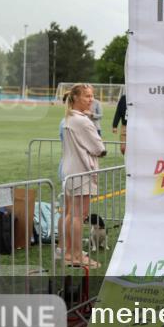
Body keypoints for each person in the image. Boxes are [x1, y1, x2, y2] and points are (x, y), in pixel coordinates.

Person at [61, 83, 107, 268]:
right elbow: (99, 148)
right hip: (82, 171)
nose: (91, 100)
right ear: (75, 98)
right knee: (79, 215)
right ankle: (78, 255)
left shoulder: (68, 118)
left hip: (70, 170)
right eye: (87, 96)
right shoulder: (82, 121)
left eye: (92, 96)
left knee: (72, 214)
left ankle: (70, 253)